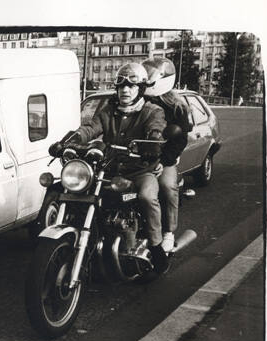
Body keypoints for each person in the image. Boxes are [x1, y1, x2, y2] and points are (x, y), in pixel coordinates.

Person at [51, 62, 168, 272]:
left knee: (147, 197)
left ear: (141, 89)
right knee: (80, 192)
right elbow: (90, 128)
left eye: (131, 86)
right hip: (110, 169)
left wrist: (152, 143)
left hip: (139, 170)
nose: (125, 90)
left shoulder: (152, 111)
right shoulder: (109, 110)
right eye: (121, 85)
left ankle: (156, 246)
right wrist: (69, 141)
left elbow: (156, 130)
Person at [142, 56, 193, 253]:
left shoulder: (177, 106)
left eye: (151, 74)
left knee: (167, 186)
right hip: (135, 156)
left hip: (164, 157)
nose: (147, 77)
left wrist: (164, 161)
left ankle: (168, 232)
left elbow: (180, 139)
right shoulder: (138, 98)